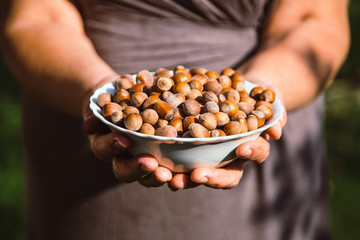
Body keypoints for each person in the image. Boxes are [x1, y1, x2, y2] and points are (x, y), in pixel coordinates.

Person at [0, 0, 349, 239]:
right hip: (82, 135)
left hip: (264, 162)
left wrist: (262, 91)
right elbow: (36, 15)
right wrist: (96, 91)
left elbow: (313, 19)